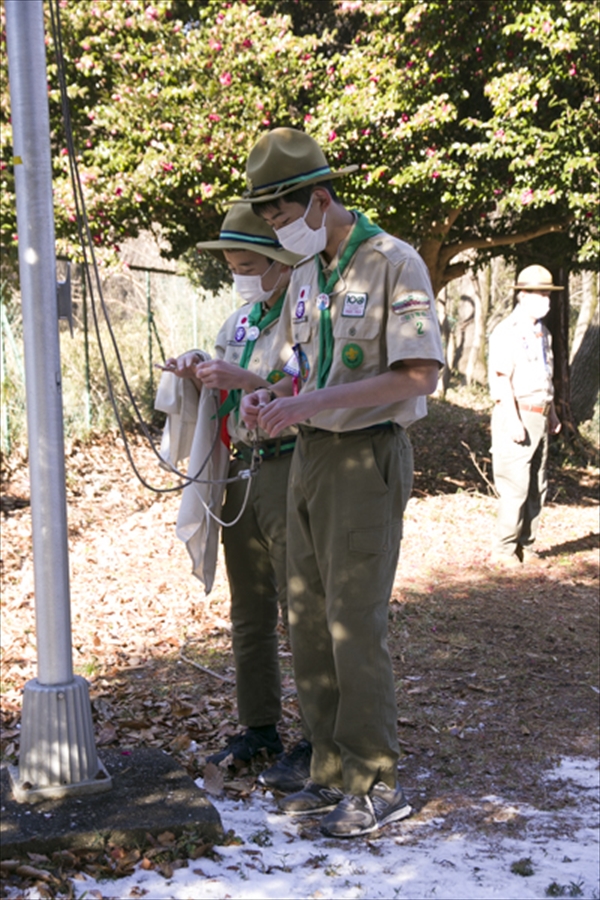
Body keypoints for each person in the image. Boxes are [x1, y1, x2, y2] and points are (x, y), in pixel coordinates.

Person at [239, 128, 445, 838]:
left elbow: (419, 374)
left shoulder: (394, 262)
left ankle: (375, 778)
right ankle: (331, 770)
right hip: (309, 457)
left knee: (353, 624)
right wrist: (268, 395)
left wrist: (309, 403)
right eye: (268, 222)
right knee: (306, 617)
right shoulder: (304, 274)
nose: (277, 233)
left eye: (281, 218)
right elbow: (299, 367)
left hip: (365, 457)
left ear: (320, 199)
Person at [165, 203, 311, 781]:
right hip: (239, 470)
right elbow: (226, 374)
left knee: (302, 609)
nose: (240, 276)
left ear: (278, 260)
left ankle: (318, 736)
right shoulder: (241, 321)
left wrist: (247, 380)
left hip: (286, 464)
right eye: (231, 266)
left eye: (248, 263)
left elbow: (310, 380)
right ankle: (260, 728)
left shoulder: (305, 313)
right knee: (248, 609)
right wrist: (198, 368)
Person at [488, 264, 562, 567]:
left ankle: (526, 546)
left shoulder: (542, 333)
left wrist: (553, 414)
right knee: (514, 485)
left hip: (540, 414)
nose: (545, 299)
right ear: (523, 295)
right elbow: (501, 378)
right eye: (539, 293)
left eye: (547, 293)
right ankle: (504, 551)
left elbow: (546, 378)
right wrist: (514, 420)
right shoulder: (508, 331)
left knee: (536, 485)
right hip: (515, 412)